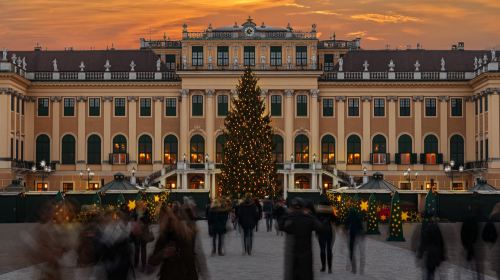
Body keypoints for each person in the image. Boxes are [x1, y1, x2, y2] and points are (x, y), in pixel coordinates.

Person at [149, 203, 200, 280]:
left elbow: (192, 259)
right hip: (169, 275)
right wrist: (163, 253)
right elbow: (152, 261)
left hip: (187, 275)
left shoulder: (189, 234)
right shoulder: (165, 235)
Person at [281, 197, 322, 280]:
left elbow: (281, 225)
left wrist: (287, 214)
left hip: (293, 256)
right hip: (306, 255)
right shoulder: (308, 219)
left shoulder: (290, 218)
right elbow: (320, 227)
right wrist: (310, 215)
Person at [417, 213, 446, 280]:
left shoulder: (426, 228)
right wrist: (442, 255)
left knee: (428, 272)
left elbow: (423, 241)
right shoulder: (436, 228)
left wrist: (420, 253)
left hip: (429, 253)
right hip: (436, 253)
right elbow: (441, 242)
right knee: (431, 271)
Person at [131, 201, 154, 272]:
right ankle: (136, 263)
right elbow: (132, 219)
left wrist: (142, 221)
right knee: (137, 248)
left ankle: (143, 264)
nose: (140, 204)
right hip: (137, 232)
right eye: (138, 204)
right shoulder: (134, 211)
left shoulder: (146, 211)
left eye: (141, 203)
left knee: (143, 249)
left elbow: (149, 220)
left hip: (144, 232)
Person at [316, 202, 336, 273]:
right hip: (329, 232)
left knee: (322, 250)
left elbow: (316, 222)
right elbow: (335, 220)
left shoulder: (318, 212)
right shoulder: (330, 212)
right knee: (329, 250)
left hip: (321, 232)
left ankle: (323, 267)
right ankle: (330, 268)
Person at [344, 207, 365, 274]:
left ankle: (354, 268)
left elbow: (345, 226)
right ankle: (361, 269)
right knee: (361, 253)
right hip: (359, 235)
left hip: (352, 236)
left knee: (352, 251)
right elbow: (361, 227)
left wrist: (345, 231)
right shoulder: (358, 217)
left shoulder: (349, 217)